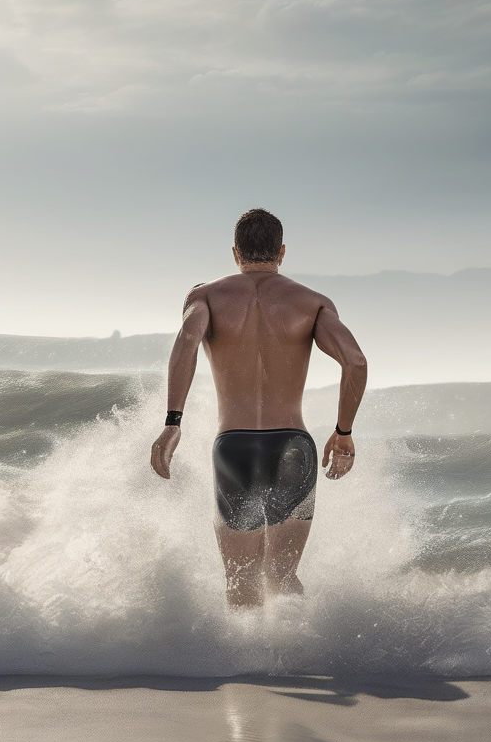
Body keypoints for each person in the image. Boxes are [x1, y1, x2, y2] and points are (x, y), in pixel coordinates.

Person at [150, 208, 367, 609]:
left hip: (235, 448)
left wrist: (173, 423)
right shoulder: (313, 302)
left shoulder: (206, 296)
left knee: (240, 580)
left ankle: (249, 665)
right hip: (293, 446)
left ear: (235, 253)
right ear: (282, 251)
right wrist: (344, 430)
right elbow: (355, 362)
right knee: (282, 576)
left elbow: (186, 342)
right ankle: (298, 654)